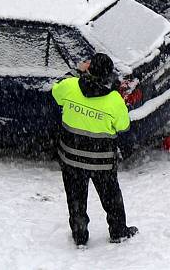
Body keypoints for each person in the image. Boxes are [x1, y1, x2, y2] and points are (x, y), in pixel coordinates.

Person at [52, 53, 138, 246]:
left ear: (88, 69)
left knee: (76, 200)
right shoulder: (114, 100)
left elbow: (55, 93)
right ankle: (118, 232)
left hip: (71, 159)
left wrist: (77, 72)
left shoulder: (70, 86)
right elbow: (123, 126)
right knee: (111, 199)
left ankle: (80, 236)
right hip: (102, 162)